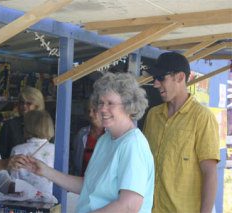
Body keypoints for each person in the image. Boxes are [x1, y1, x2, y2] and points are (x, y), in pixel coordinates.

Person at [17, 72, 155, 212]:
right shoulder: (105, 140)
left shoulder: (133, 145)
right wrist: (45, 171)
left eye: (110, 103)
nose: (102, 109)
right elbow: (87, 185)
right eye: (100, 102)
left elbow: (129, 205)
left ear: (128, 106)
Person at [143, 52, 220, 213]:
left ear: (179, 77)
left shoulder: (202, 118)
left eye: (161, 78)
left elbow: (210, 173)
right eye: (154, 78)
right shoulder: (152, 115)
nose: (156, 84)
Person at [10, 110, 55, 195]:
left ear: (26, 127)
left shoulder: (17, 150)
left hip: (24, 200)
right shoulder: (55, 149)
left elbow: (13, 180)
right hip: (51, 199)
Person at [0, 86, 45, 159]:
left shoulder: (45, 125)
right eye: (21, 102)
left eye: (29, 103)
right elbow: (1, 155)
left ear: (37, 106)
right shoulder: (9, 125)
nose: (24, 106)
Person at [71, 101, 104, 176]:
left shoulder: (111, 134)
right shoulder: (82, 134)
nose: (90, 114)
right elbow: (76, 161)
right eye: (88, 111)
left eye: (94, 111)